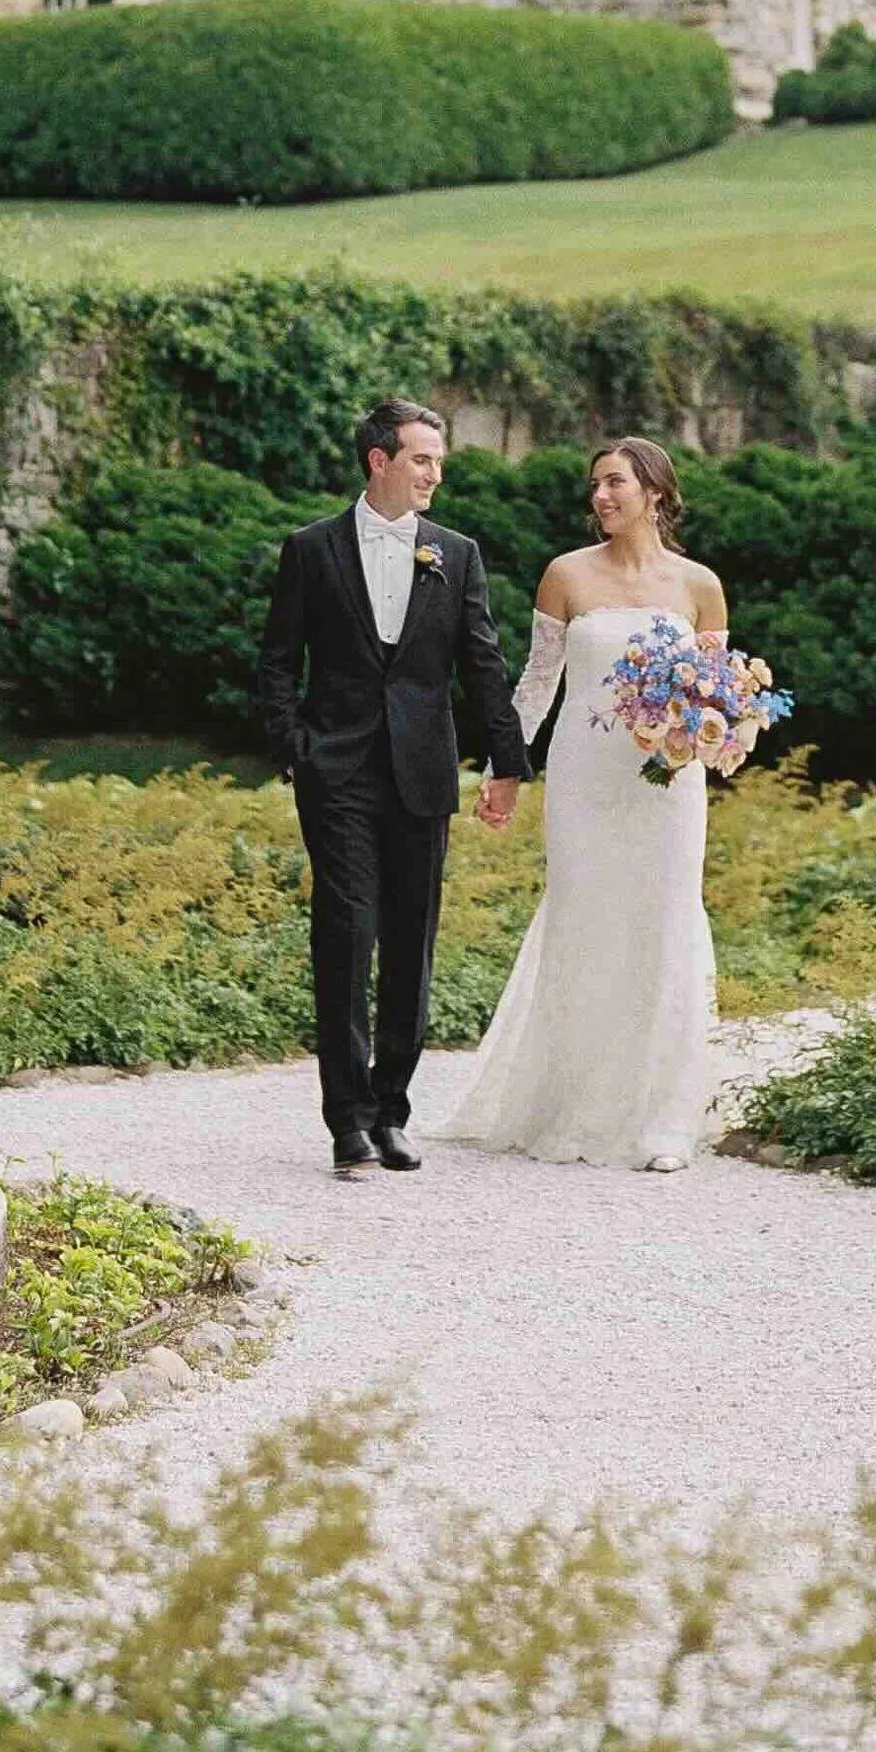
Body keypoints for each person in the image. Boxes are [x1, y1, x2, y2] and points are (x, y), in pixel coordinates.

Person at [439, 436, 730, 1173]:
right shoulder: (566, 574)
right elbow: (538, 683)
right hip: (584, 778)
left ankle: (664, 1117)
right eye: (595, 484)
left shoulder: (700, 585)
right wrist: (506, 768)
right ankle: (577, 1106)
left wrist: (713, 734)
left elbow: (717, 693)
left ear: (655, 493)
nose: (600, 496)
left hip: (666, 784)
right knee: (584, 917)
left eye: (615, 483)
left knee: (666, 920)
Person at [257, 398, 529, 1179]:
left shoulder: (456, 554)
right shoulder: (311, 549)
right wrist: (294, 750)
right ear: (380, 460)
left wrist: (507, 763)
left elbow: (482, 663)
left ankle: (390, 1113)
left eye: (438, 461)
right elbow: (277, 660)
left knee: (412, 942)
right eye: (422, 459)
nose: (435, 474)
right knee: (346, 935)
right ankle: (346, 1120)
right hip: (336, 771)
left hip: (422, 771)